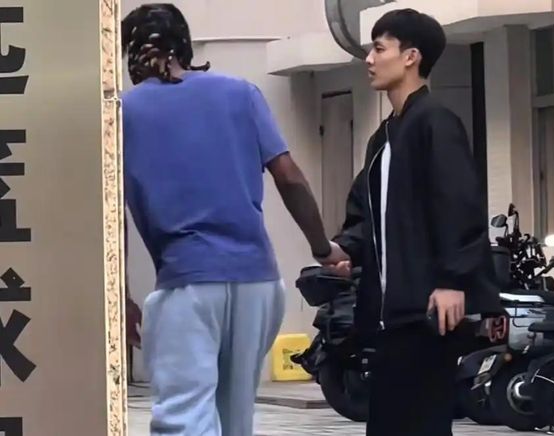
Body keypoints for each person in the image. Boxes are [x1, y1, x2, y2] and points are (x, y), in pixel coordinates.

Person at [120, 4, 347, 436]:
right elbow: (289, 176)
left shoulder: (122, 112)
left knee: (184, 417)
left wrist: (120, 296)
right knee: (235, 419)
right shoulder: (241, 92)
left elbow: (111, 209)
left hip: (187, 283)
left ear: (132, 50)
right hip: (258, 281)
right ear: (184, 45)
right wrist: (322, 248)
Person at [330, 9, 503, 436]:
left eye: (379, 48)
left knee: (423, 424)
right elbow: (366, 212)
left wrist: (452, 281)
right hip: (389, 317)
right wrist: (344, 249)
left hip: (428, 311)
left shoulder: (436, 121)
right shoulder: (384, 135)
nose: (369, 59)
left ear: (411, 57)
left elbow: (459, 204)